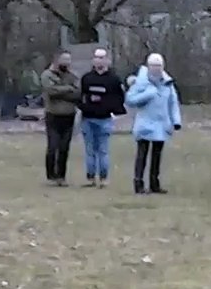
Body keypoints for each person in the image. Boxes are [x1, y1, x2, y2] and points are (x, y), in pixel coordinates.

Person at [125, 53, 182, 195]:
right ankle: (138, 183)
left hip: (162, 125)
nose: (156, 69)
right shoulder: (141, 82)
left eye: (159, 66)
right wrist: (148, 94)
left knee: (157, 155)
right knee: (142, 155)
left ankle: (154, 184)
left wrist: (176, 121)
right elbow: (130, 99)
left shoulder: (167, 83)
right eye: (153, 66)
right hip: (144, 124)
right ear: (148, 67)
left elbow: (173, 103)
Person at [77, 47, 126, 188]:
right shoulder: (86, 78)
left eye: (102, 57)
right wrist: (85, 107)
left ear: (107, 60)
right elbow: (80, 97)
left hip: (104, 119)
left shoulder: (114, 79)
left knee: (103, 150)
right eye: (97, 57)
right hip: (88, 118)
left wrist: (110, 108)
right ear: (93, 60)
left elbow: (119, 98)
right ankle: (90, 178)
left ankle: (104, 178)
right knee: (89, 150)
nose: (99, 60)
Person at [40, 49, 81, 186]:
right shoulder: (47, 75)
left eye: (69, 60)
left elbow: (77, 93)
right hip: (53, 115)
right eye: (64, 60)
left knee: (64, 147)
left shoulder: (72, 75)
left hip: (69, 116)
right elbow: (51, 91)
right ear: (57, 60)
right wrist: (67, 89)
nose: (67, 63)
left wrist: (62, 90)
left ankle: (61, 176)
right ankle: (51, 174)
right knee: (53, 146)